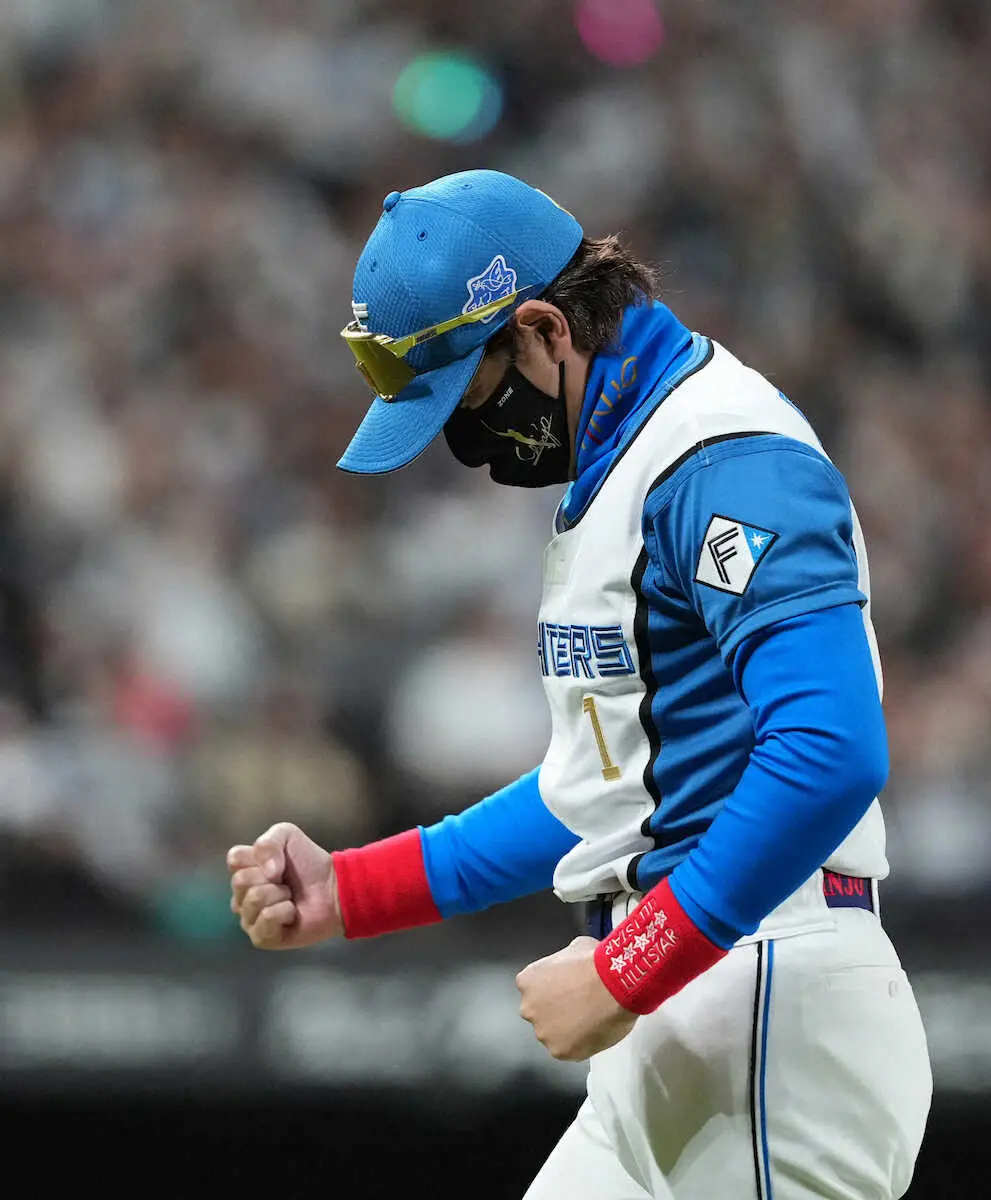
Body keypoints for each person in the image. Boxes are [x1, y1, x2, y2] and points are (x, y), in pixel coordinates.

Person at [226, 170, 932, 1199]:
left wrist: (628, 967)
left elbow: (831, 750)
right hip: (688, 1001)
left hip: (768, 1003)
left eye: (466, 395)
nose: (464, 440)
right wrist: (353, 891)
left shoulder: (723, 459)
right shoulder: (630, 459)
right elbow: (602, 798)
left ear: (546, 330)